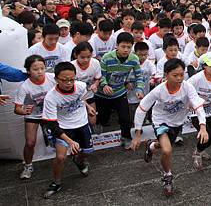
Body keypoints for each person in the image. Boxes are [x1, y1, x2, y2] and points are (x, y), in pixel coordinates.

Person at [130, 58, 208, 196]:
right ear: (166, 75)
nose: (179, 78)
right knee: (167, 150)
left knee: (163, 145)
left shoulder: (187, 87)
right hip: (160, 121)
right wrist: (137, 134)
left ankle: (151, 146)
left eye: (181, 75)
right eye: (175, 75)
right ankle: (167, 176)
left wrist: (202, 126)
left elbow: (197, 105)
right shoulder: (159, 90)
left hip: (177, 123)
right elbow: (141, 108)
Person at [41, 62, 95, 198]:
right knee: (60, 157)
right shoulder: (51, 97)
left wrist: (88, 108)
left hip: (82, 123)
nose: (69, 83)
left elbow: (81, 99)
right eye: (64, 80)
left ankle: (78, 160)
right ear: (56, 79)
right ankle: (56, 182)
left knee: (87, 151)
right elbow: (52, 126)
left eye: (72, 79)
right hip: (63, 128)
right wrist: (70, 141)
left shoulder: (81, 86)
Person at [97, 32, 144, 148]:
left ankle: (126, 138)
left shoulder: (134, 59)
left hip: (120, 92)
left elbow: (139, 76)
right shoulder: (107, 58)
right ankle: (99, 122)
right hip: (103, 94)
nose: (126, 50)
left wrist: (139, 89)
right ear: (117, 45)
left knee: (125, 118)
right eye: (123, 46)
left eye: (129, 47)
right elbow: (100, 75)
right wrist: (104, 85)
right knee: (103, 117)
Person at [13, 55, 56, 180]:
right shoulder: (25, 87)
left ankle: (71, 156)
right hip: (33, 115)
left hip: (50, 112)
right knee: (30, 142)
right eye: (35, 69)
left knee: (61, 136)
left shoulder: (52, 78)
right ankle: (28, 166)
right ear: (28, 71)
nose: (40, 72)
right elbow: (17, 109)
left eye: (42, 68)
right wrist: (23, 111)